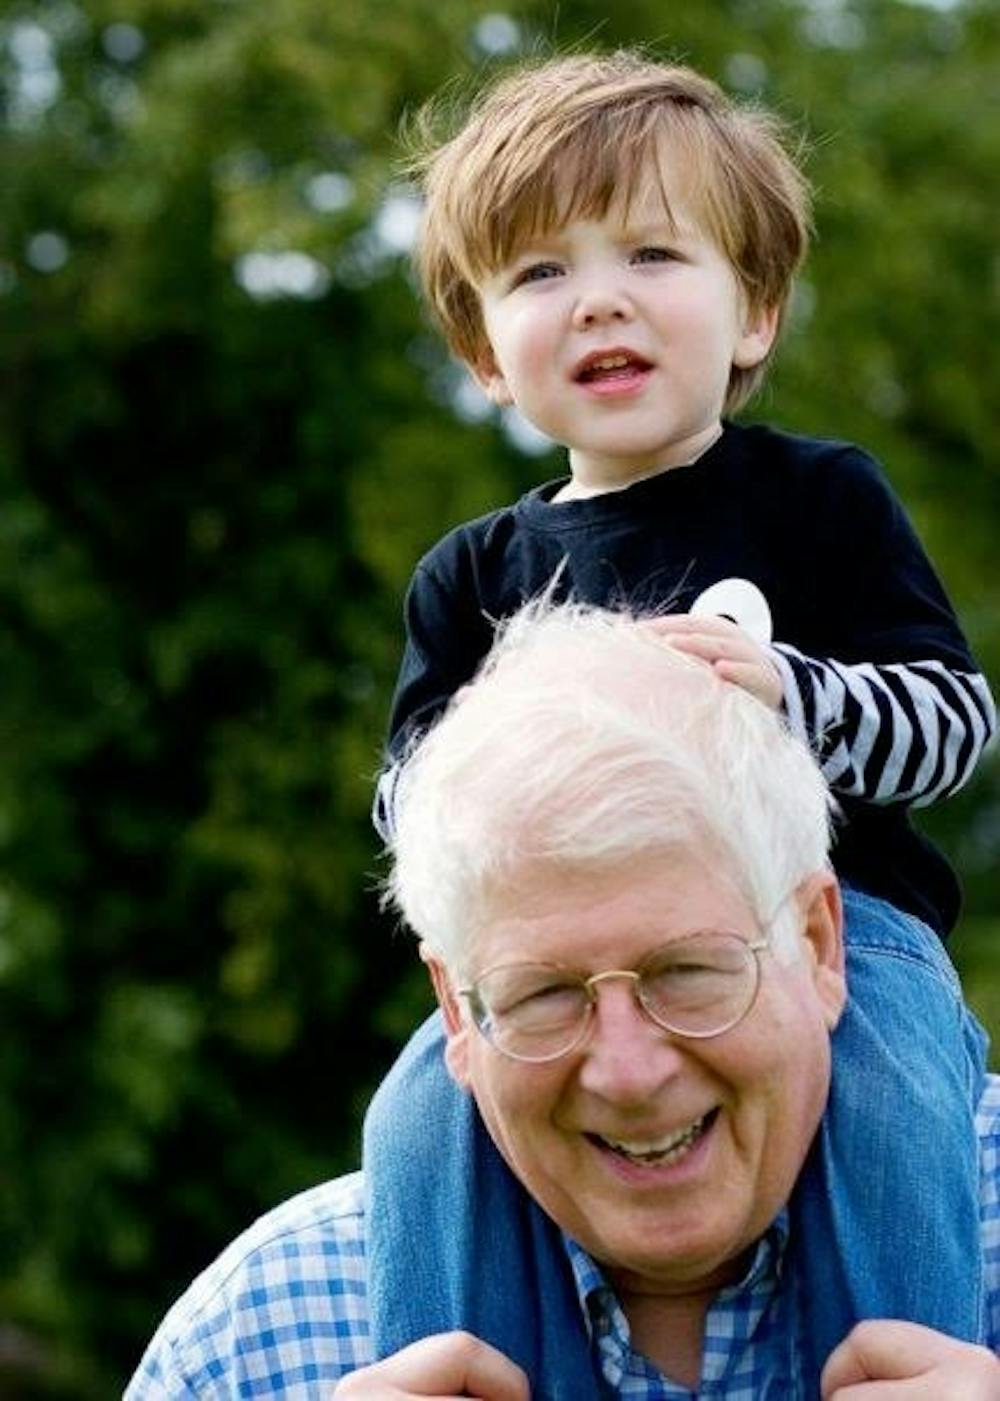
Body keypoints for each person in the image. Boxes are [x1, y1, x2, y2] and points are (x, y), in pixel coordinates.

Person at [364, 48, 997, 1388]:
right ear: (485, 354)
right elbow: (409, 818)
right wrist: (500, 753)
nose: (598, 301)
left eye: (652, 254)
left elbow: (954, 721)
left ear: (754, 311)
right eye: (540, 275)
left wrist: (788, 695)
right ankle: (470, 1369)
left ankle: (901, 1369)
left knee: (886, 1096)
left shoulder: (821, 500)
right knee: (422, 1107)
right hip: (546, 973)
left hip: (840, 927)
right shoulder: (472, 575)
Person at [126, 602, 1000, 1396]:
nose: (626, 1072)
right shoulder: (251, 1342)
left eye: (688, 973)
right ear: (457, 1012)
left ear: (817, 943)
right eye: (542, 994)